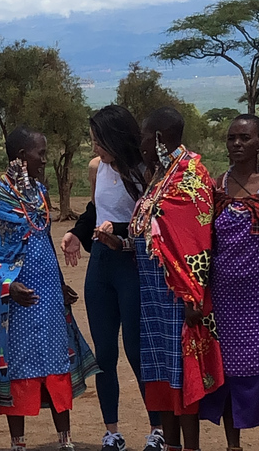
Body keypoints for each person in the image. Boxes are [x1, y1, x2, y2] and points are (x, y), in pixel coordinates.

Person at [100, 107, 223, 451]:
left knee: (181, 374)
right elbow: (153, 236)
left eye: (143, 135)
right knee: (161, 375)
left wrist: (191, 298)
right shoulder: (161, 175)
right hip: (153, 295)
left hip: (178, 295)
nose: (139, 142)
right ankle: (170, 446)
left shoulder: (190, 177)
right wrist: (122, 243)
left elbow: (195, 240)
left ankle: (190, 447)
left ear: (158, 138)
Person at [0, 127, 98, 451]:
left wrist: (59, 282)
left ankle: (65, 441)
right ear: (20, 158)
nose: (45, 159)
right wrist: (7, 284)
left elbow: (42, 239)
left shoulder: (39, 191)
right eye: (40, 154)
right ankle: (18, 443)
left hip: (48, 291)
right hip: (16, 296)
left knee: (58, 360)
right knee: (17, 364)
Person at [61, 106, 163, 451]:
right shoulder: (97, 168)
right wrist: (78, 231)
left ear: (116, 139)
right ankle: (112, 431)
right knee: (104, 352)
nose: (95, 149)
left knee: (137, 351)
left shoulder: (145, 172)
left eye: (99, 141)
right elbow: (96, 209)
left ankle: (157, 429)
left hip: (132, 263)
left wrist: (117, 230)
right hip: (101, 264)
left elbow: (150, 221)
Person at [199, 115, 259, 450]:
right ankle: (233, 445)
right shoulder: (216, 188)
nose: (237, 144)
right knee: (229, 375)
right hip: (225, 300)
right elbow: (203, 242)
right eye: (231, 138)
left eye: (244, 138)